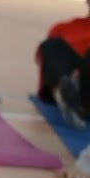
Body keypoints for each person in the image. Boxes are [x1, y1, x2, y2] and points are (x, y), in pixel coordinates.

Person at [35, 0, 90, 128]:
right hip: (66, 79)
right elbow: (45, 59)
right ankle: (65, 94)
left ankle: (74, 100)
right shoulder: (62, 28)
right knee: (52, 44)